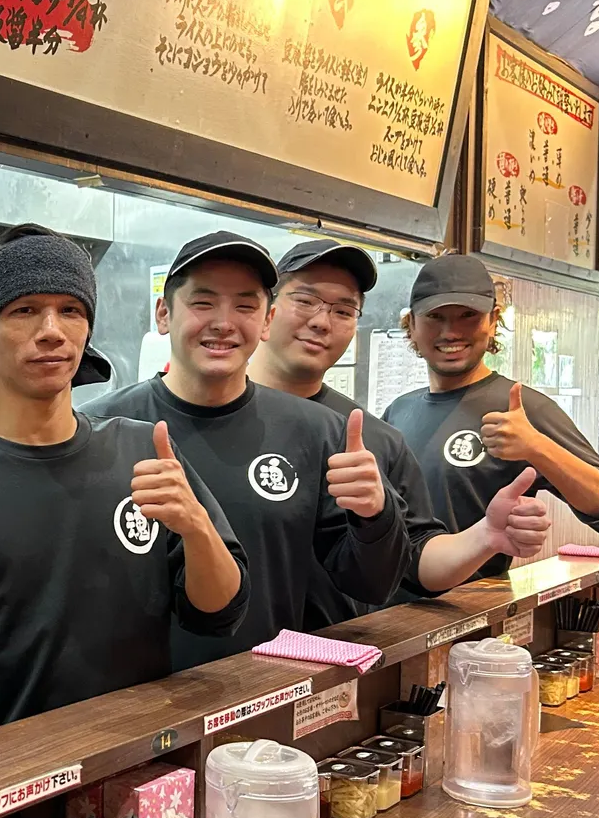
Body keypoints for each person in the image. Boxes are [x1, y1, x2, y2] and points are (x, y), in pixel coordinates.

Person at [0, 224, 249, 732]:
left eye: (70, 310)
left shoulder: (144, 450)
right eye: (24, 310)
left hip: (139, 764)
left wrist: (198, 528)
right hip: (3, 777)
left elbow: (219, 613)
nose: (52, 330)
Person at [84, 231, 409, 667]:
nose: (224, 322)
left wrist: (376, 514)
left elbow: (371, 585)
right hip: (135, 707)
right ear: (163, 314)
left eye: (245, 305)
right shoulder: (100, 429)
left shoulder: (315, 431)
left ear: (267, 321)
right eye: (203, 303)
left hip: (265, 698)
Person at [247, 240, 554, 626]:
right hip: (186, 677)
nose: (322, 321)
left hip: (330, 666)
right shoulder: (180, 418)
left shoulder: (375, 438)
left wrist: (486, 535)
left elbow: (416, 560)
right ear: (265, 309)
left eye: (343, 310)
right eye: (305, 301)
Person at [383, 254, 599, 579]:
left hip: (471, 613)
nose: (451, 332)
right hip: (384, 615)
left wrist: (536, 447)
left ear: (492, 321)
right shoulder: (398, 411)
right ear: (412, 325)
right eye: (435, 316)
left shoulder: (521, 408)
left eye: (468, 316)